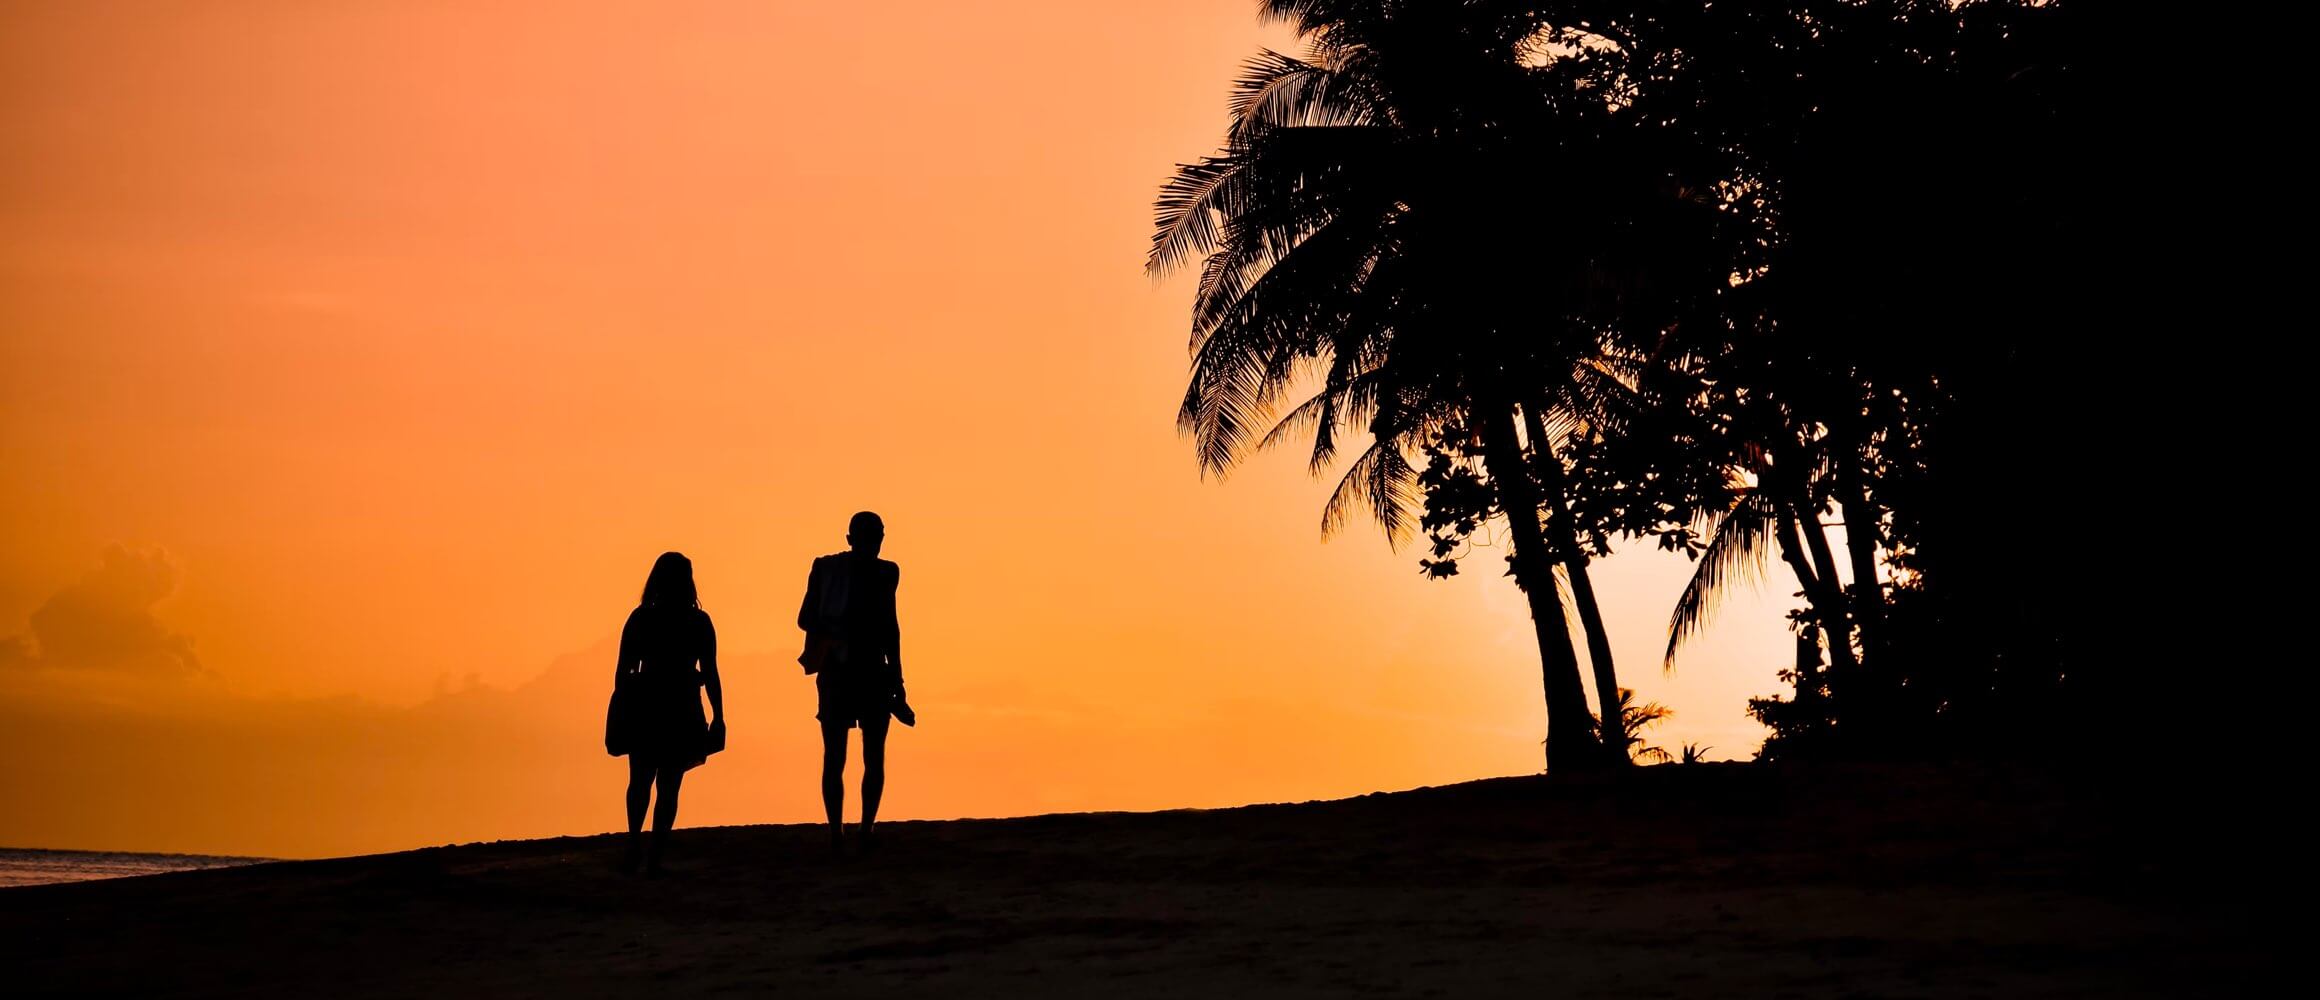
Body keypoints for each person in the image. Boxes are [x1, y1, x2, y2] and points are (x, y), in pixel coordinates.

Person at [797, 511, 913, 853]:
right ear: (851, 539)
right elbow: (806, 618)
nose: (871, 544)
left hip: (867, 670)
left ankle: (860, 829)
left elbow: (891, 626)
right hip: (842, 669)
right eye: (868, 537)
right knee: (843, 755)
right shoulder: (828, 569)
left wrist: (898, 677)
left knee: (862, 755)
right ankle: (842, 831)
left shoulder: (884, 572)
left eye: (875, 538)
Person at [607, 551, 724, 876]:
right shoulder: (698, 622)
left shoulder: (642, 618)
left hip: (647, 703)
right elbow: (711, 672)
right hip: (682, 703)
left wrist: (624, 703)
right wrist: (719, 715)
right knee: (669, 785)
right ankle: (655, 853)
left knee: (640, 780)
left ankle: (634, 844)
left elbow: (622, 670)